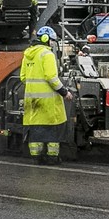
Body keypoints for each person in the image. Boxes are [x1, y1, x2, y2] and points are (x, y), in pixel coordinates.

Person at [20, 25, 69, 164]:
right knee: (52, 131)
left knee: (36, 131)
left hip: (32, 100)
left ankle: (36, 157)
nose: (53, 44)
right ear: (46, 39)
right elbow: (52, 78)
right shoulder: (47, 54)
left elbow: (23, 77)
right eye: (52, 41)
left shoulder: (27, 54)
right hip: (48, 102)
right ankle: (52, 157)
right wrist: (64, 92)